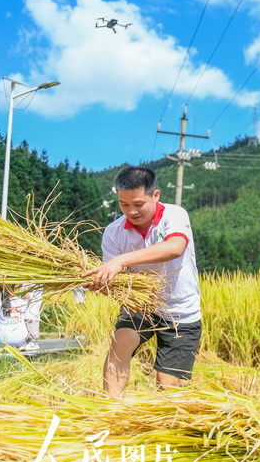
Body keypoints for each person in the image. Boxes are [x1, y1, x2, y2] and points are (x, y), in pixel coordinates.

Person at [81, 166, 202, 398]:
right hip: (141, 304)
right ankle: (110, 409)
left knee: (166, 383)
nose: (131, 212)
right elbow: (116, 285)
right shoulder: (113, 232)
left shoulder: (174, 215)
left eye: (138, 204)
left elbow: (175, 247)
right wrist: (102, 285)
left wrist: (120, 261)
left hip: (181, 310)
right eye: (124, 205)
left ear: (155, 195)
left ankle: (163, 424)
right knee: (121, 341)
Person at [0, 285, 39, 353]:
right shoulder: (20, 301)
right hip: (20, 339)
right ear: (14, 289)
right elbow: (28, 301)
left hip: (2, 339)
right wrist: (26, 291)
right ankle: (20, 345)